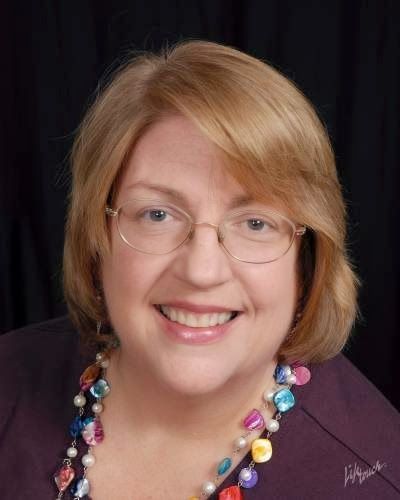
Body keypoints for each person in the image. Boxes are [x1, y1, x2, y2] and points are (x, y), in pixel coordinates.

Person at [0, 40, 399, 500]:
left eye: (255, 223)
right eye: (157, 215)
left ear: (307, 261)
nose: (202, 271)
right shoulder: (9, 384)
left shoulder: (373, 479)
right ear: (97, 235)